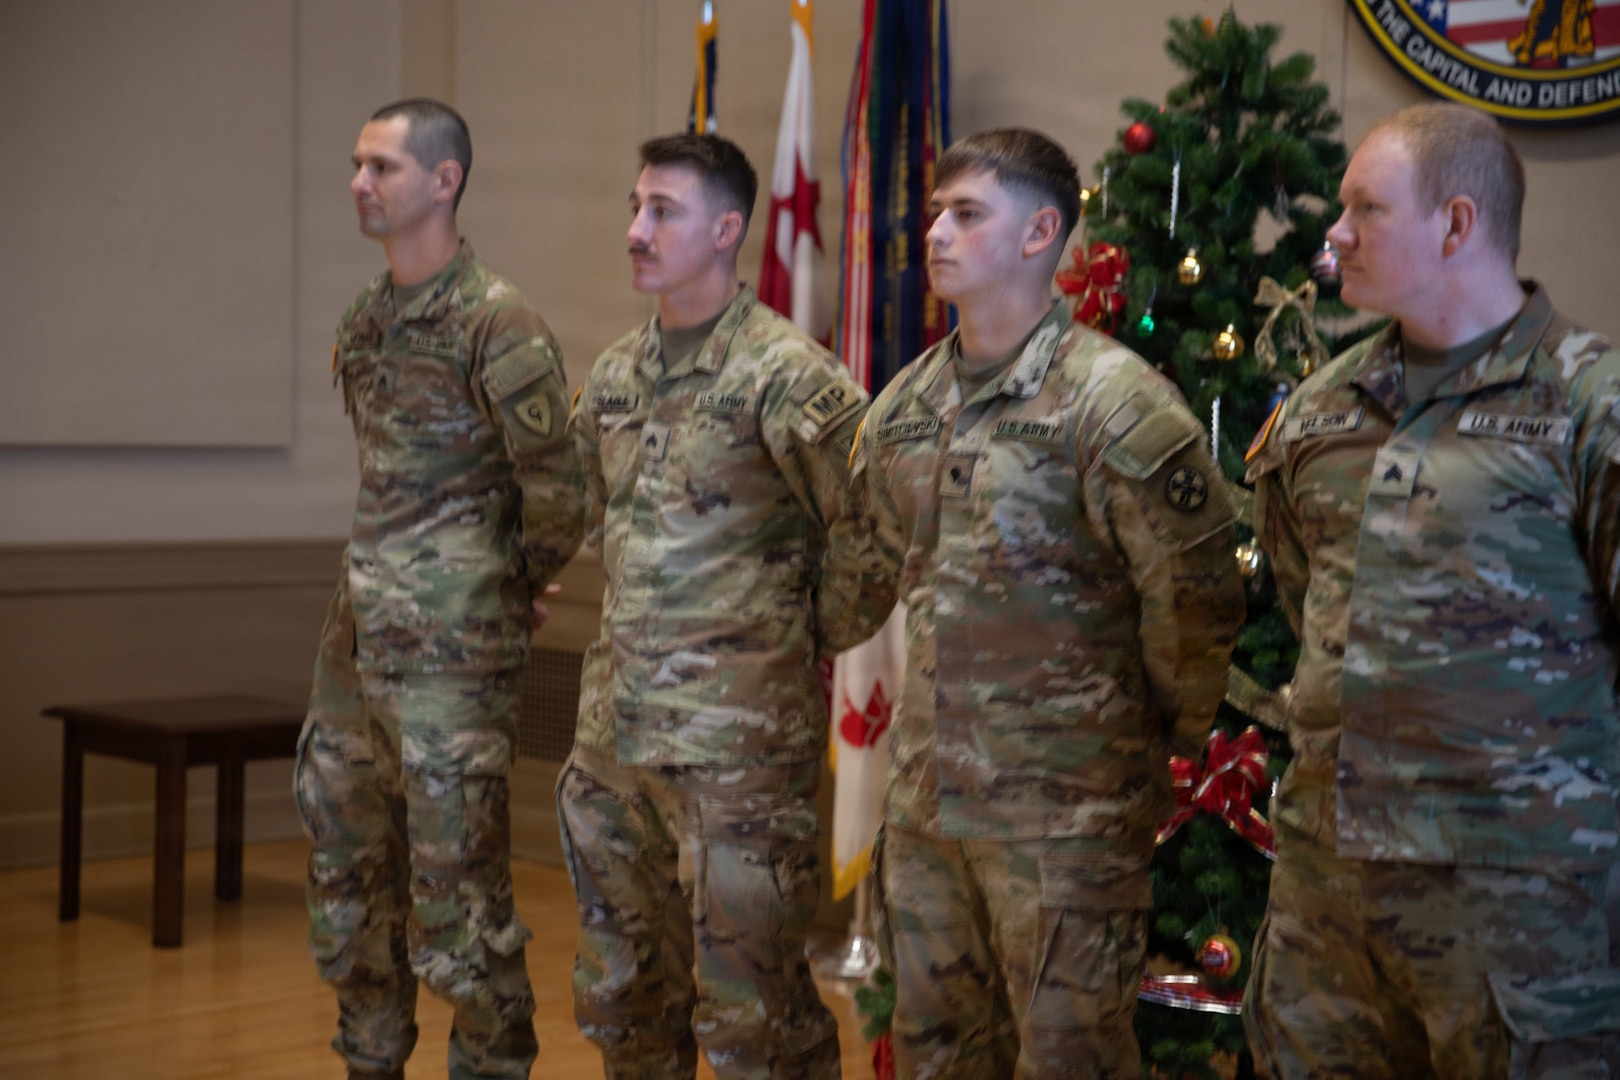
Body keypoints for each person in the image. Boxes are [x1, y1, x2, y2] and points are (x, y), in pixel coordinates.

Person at [853, 127, 1245, 1078]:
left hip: (1065, 815)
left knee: (1071, 1057)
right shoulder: (906, 402)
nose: (936, 231)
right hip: (927, 802)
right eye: (936, 211)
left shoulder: (1116, 405)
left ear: (1039, 235)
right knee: (936, 1049)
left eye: (966, 213)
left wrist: (1134, 739)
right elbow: (876, 562)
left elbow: (1196, 599)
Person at [1242, 101, 1620, 1077]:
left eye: (1365, 208)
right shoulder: (1321, 412)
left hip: (1522, 908)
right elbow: (1310, 600)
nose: (1335, 233)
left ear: (1456, 225)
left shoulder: (1589, 403)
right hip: (1329, 896)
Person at [557, 132, 885, 1079]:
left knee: (755, 1018)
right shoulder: (617, 375)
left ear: (727, 230)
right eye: (634, 207)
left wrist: (790, 636)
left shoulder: (790, 376)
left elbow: (873, 532)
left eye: (662, 211)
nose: (636, 230)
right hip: (615, 742)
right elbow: (582, 512)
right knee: (625, 997)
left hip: (737, 757)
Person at [294, 98, 584, 1080]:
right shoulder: (365, 320)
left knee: (461, 912)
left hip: (453, 665)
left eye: (381, 166)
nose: (359, 184)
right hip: (356, 646)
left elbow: (561, 490)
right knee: (349, 882)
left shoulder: (497, 323)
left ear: (444, 180)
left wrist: (502, 590)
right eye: (356, 163)